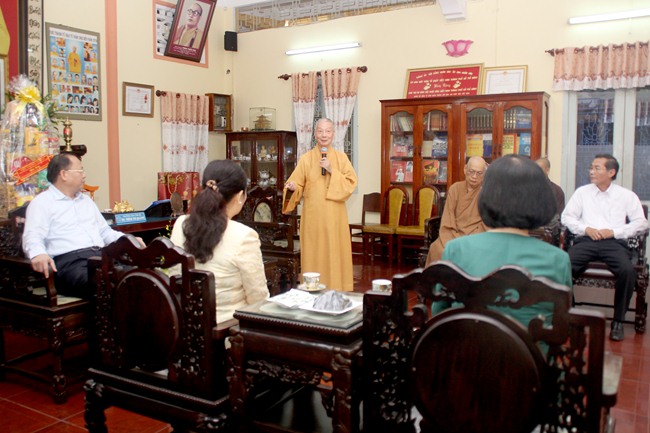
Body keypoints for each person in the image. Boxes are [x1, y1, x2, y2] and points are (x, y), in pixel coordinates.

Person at [433, 154, 572, 329]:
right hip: (529, 347)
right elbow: (561, 326)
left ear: (486, 198)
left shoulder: (455, 250)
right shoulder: (558, 260)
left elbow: (439, 315)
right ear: (540, 201)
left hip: (465, 343)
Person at [561, 154, 648, 341]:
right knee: (563, 266)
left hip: (613, 243)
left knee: (627, 271)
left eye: (597, 168)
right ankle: (571, 313)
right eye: (591, 167)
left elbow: (641, 223)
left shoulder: (626, 196)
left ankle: (618, 321)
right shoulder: (582, 193)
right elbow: (567, 217)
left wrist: (614, 232)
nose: (591, 171)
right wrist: (586, 228)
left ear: (611, 172)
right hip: (587, 241)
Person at [170, 160, 269, 323]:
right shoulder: (244, 235)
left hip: (184, 324)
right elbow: (258, 298)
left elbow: (174, 275)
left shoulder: (181, 223)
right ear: (240, 196)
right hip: (228, 327)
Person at [22, 153, 132, 299]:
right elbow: (33, 236)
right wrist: (38, 254)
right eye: (80, 171)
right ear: (64, 174)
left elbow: (105, 232)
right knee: (109, 283)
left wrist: (128, 240)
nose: (84, 175)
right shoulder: (42, 203)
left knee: (141, 276)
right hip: (69, 264)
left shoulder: (86, 201)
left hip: (101, 257)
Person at [283, 118, 358, 291]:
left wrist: (332, 170)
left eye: (328, 131)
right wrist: (293, 187)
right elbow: (296, 183)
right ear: (315, 134)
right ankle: (312, 287)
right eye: (320, 131)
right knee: (314, 252)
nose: (324, 135)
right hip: (313, 216)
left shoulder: (341, 158)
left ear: (333, 134)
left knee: (334, 250)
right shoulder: (306, 159)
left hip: (335, 216)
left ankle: (337, 287)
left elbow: (351, 183)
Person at [425, 156, 488, 265]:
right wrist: (454, 240)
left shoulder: (487, 193)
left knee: (471, 253)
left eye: (479, 173)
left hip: (473, 237)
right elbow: (448, 218)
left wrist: (466, 241)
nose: (474, 176)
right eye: (471, 171)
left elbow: (485, 224)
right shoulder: (455, 188)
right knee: (436, 249)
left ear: (484, 174)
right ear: (465, 169)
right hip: (452, 234)